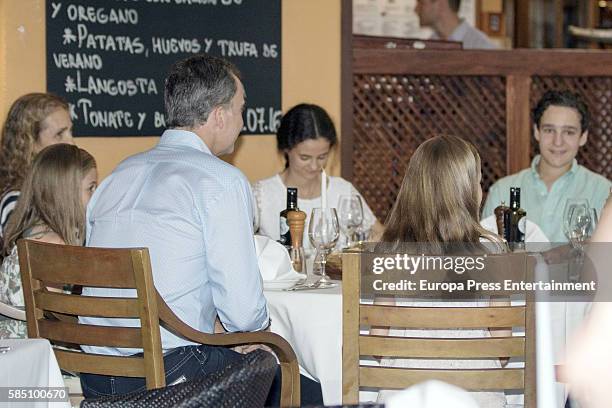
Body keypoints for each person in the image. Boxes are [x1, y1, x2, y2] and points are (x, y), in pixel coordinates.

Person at [79, 54, 322, 405]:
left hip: (96, 376)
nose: (243, 122)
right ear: (219, 115)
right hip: (168, 379)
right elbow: (244, 313)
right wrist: (252, 329)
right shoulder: (219, 181)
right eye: (241, 109)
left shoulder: (117, 175)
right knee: (294, 376)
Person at [378, 135, 507, 407]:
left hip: (404, 396)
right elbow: (503, 349)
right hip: (476, 397)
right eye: (479, 182)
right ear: (468, 193)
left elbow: (379, 344)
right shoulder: (494, 251)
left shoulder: (390, 252)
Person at [482, 90, 611, 242]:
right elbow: (487, 256)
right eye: (549, 130)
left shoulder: (604, 192)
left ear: (583, 137)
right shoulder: (501, 191)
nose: (558, 141)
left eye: (569, 132)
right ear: (536, 132)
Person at [253, 103, 384, 252]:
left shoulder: (342, 190)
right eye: (305, 157)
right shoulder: (262, 194)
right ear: (286, 149)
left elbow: (380, 233)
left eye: (322, 156)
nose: (314, 166)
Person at [0, 144, 97, 338]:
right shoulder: (54, 248)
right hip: (41, 357)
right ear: (64, 193)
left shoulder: (31, 234)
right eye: (91, 188)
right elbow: (56, 315)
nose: (96, 195)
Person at [0, 93, 74, 238]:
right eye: (60, 134)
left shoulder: (59, 187)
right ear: (29, 142)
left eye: (71, 131)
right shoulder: (15, 201)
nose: (71, 142)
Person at [415, 0, 497, 49]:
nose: (416, 9)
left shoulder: (481, 47)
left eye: (421, 3)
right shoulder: (430, 45)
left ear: (441, 4)